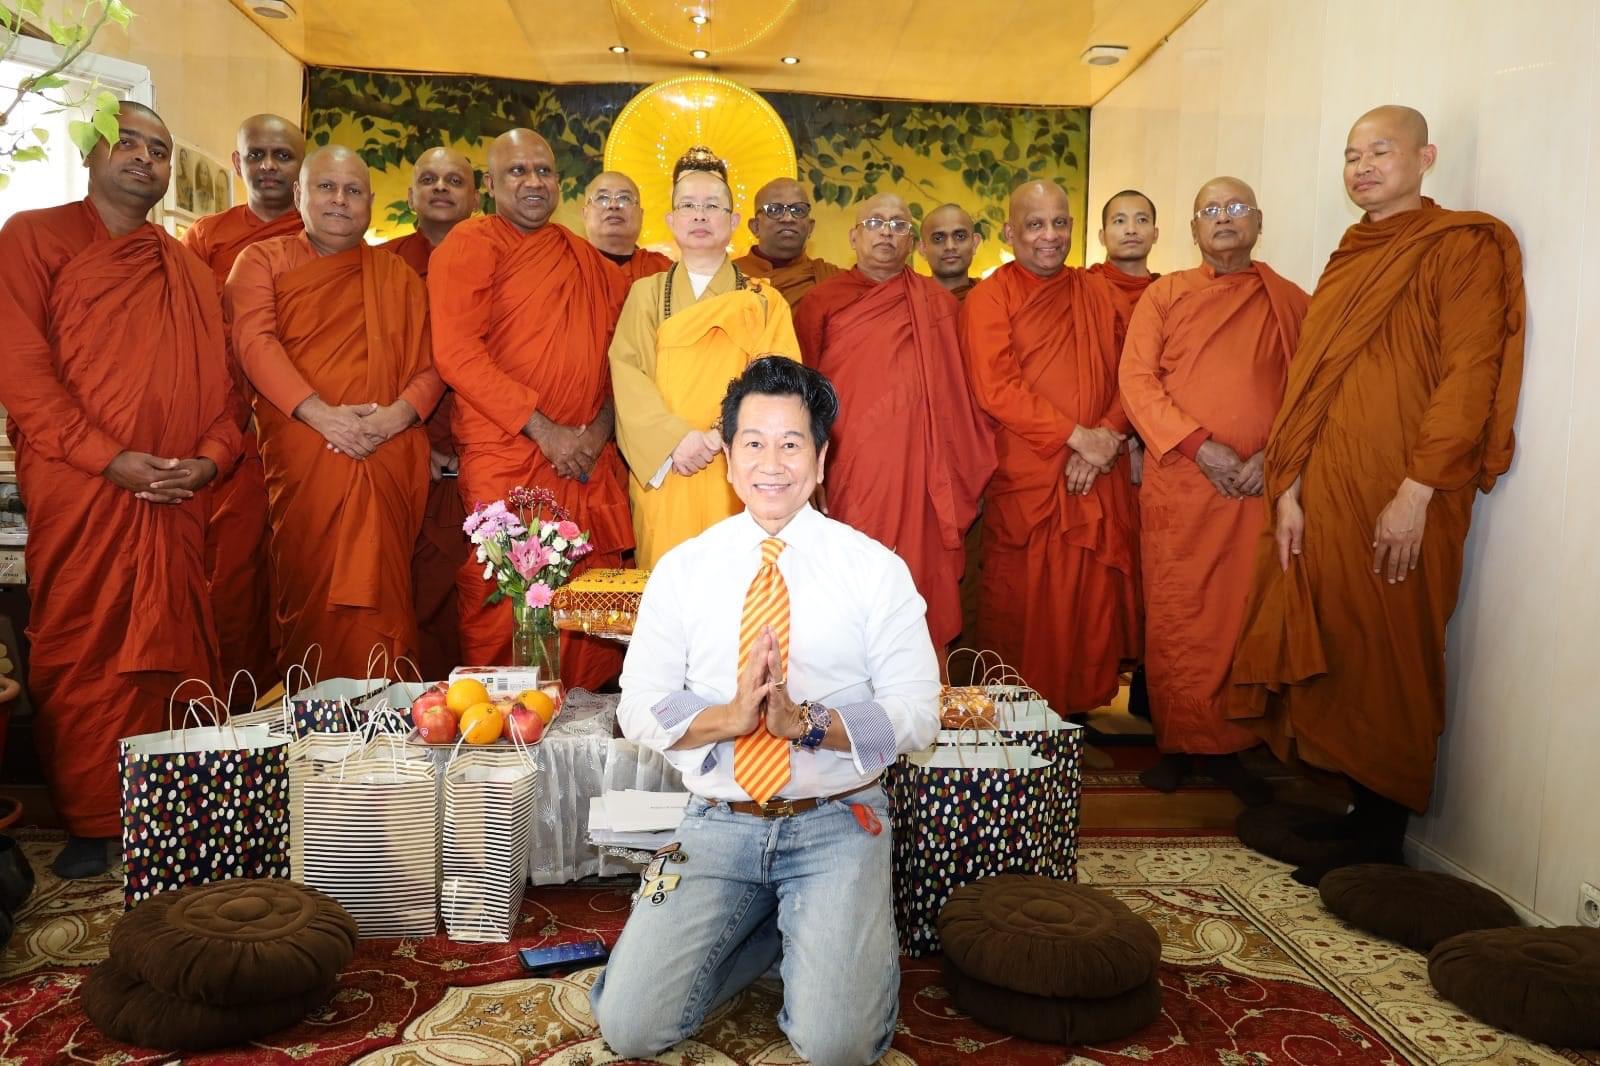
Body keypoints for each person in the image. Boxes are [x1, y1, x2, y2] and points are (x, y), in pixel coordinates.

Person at [592, 356, 938, 1066]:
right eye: (752, 442)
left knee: (837, 1047)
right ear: (727, 458)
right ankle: (775, 931)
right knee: (630, 1027)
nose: (771, 463)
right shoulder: (684, 570)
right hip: (718, 822)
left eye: (790, 443)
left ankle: (825, 932)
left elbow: (917, 712)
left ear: (821, 459)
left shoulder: (874, 569)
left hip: (837, 822)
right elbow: (639, 705)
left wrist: (807, 724)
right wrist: (731, 718)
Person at [1228, 106, 1525, 884]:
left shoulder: (1461, 246)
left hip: (1405, 493)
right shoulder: (1351, 254)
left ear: (1425, 157)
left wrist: (1418, 490)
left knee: (1391, 649)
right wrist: (1288, 488)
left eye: (1380, 152)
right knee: (1336, 643)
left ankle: (1381, 837)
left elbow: (1470, 376)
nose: (1361, 167)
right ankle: (1357, 817)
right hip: (1325, 492)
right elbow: (1310, 384)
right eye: (1352, 155)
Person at [0, 103, 241, 877]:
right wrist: (109, 459)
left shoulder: (189, 272)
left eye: (159, 149)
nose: (145, 158)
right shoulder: (31, 237)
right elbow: (22, 374)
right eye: (127, 143)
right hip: (82, 487)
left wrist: (208, 461)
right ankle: (92, 816)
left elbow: (225, 395)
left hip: (177, 495)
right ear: (91, 154)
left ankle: (169, 803)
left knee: (174, 639)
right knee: (83, 642)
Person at [1119, 177, 1309, 803]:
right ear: (1194, 228)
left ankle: (1234, 745)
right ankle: (1178, 743)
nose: (1223, 219)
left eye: (1235, 208)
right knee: (1178, 614)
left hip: (1257, 487)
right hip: (1182, 482)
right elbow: (1137, 382)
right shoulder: (1166, 295)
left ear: (1258, 222)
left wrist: (1272, 454)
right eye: (1210, 210)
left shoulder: (1289, 301)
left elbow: (1311, 391)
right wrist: (1201, 446)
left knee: (1242, 611)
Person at [429, 129, 633, 690]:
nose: (533, 182)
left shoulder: (587, 261)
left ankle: (586, 717)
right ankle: (505, 725)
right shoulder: (470, 246)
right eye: (517, 171)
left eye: (543, 171)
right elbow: (457, 354)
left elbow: (623, 360)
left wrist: (596, 433)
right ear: (489, 184)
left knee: (588, 600)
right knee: (504, 595)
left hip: (585, 460)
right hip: (509, 455)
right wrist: (545, 431)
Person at [227, 147, 441, 678]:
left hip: (387, 455)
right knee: (311, 594)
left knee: (386, 599)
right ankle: (316, 719)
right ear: (299, 194)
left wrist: (397, 417)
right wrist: (321, 415)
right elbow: (254, 343)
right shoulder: (261, 261)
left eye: (353, 191)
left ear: (370, 203)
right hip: (307, 454)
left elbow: (434, 364)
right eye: (326, 187)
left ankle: (388, 718)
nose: (340, 200)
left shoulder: (398, 277)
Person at [959, 181, 1139, 717]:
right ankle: (1018, 722)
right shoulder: (991, 297)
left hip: (1094, 472)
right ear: (1010, 232)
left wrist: (1105, 437)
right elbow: (997, 388)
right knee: (1023, 603)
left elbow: (1132, 375)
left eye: (1059, 223)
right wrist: (1077, 437)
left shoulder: (1097, 293)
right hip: (1029, 476)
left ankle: (1075, 719)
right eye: (1035, 225)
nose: (1049, 236)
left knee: (1088, 603)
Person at [793, 194, 994, 648]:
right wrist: (810, 468)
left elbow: (961, 396)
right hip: (848, 468)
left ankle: (914, 681)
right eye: (875, 222)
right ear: (853, 236)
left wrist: (962, 469)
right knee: (848, 582)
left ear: (912, 242)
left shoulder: (938, 304)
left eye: (899, 224)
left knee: (917, 581)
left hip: (924, 474)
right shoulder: (821, 302)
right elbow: (802, 396)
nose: (886, 231)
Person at [610, 149, 799, 568]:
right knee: (669, 582)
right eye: (688, 206)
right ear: (671, 220)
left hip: (739, 468)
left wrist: (718, 436)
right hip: (667, 467)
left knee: (740, 583)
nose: (700, 215)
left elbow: (777, 384)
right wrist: (674, 440)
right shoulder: (646, 294)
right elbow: (627, 373)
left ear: (733, 222)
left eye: (713, 206)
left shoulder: (764, 300)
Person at [182, 113, 307, 698]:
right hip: (230, 427)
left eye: (283, 156)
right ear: (237, 163)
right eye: (257, 155)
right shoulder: (206, 237)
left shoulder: (322, 230)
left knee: (302, 569)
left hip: (305, 426)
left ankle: (300, 702)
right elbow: (188, 331)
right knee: (230, 576)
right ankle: (231, 706)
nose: (269, 166)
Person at [383, 146, 477, 680]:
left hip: (490, 454)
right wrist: (415, 443)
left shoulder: (498, 258)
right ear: (411, 195)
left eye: (454, 180)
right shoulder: (384, 263)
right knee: (413, 600)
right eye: (429, 179)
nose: (441, 188)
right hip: (406, 451)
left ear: (476, 197)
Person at [733, 177, 842, 307]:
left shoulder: (832, 279)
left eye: (798, 210)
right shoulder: (729, 276)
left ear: (810, 227)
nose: (788, 218)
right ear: (755, 226)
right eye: (775, 210)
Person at [582, 170, 674, 285]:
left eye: (625, 198)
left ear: (641, 215)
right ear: (585, 213)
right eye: (602, 198)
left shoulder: (664, 271)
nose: (613, 205)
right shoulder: (569, 266)